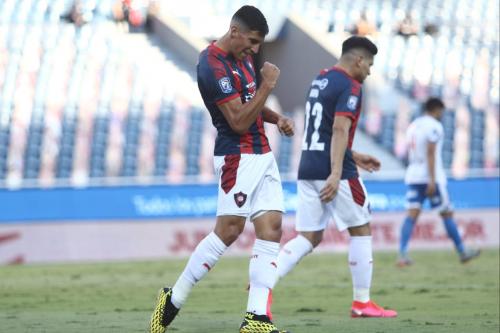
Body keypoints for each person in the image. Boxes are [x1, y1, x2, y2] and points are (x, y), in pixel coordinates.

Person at [149, 5, 294, 333]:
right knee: (229, 230)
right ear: (234, 31)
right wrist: (268, 85)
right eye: (252, 41)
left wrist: (277, 118)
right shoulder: (211, 64)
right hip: (237, 156)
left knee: (271, 228)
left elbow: (249, 102)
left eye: (258, 44)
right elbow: (239, 121)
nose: (255, 50)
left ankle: (255, 318)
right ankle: (173, 298)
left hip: (262, 153)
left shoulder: (242, 57)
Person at [276, 36, 397, 318]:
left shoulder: (319, 80)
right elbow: (340, 129)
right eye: (369, 64)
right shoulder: (351, 86)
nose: (369, 71)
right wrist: (338, 171)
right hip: (334, 171)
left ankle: (264, 281)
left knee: (307, 237)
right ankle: (362, 302)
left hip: (307, 166)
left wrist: (354, 155)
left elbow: (323, 132)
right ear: (358, 60)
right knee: (361, 228)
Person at [398, 97, 481, 266]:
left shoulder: (413, 125)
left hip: (413, 175)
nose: (441, 115)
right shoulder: (434, 126)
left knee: (411, 215)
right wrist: (432, 180)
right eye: (441, 111)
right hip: (431, 177)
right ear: (436, 109)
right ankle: (462, 252)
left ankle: (402, 254)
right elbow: (430, 152)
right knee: (446, 213)